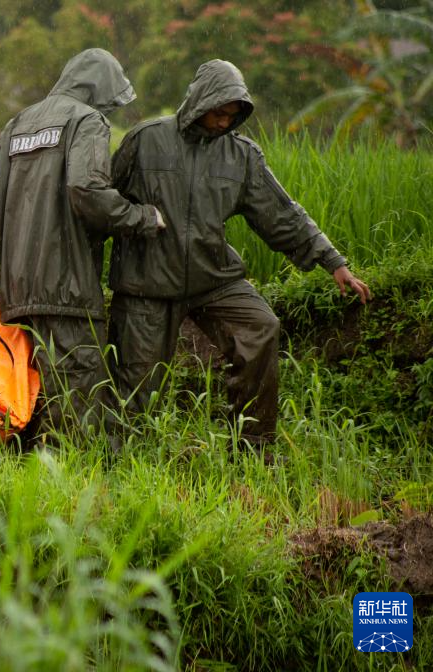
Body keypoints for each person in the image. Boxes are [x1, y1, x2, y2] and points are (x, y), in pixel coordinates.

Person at [108, 59, 371, 449]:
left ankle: (252, 448)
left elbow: (281, 213)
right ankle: (124, 458)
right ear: (199, 102)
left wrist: (333, 262)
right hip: (147, 281)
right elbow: (103, 201)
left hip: (212, 277)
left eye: (232, 116)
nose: (223, 122)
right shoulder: (146, 140)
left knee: (260, 327)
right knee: (136, 383)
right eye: (219, 113)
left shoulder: (242, 155)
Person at [0, 49, 165, 448]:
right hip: (67, 289)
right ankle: (74, 481)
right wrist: (143, 218)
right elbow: (88, 190)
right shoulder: (87, 120)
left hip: (16, 294)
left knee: (25, 400)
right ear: (98, 90)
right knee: (80, 413)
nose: (110, 110)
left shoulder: (17, 125)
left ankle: (22, 476)